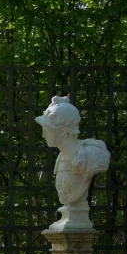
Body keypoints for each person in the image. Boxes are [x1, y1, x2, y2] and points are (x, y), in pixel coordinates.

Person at [35, 96, 110, 230]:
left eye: (47, 129)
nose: (43, 135)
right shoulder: (61, 157)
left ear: (62, 131)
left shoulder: (92, 155)